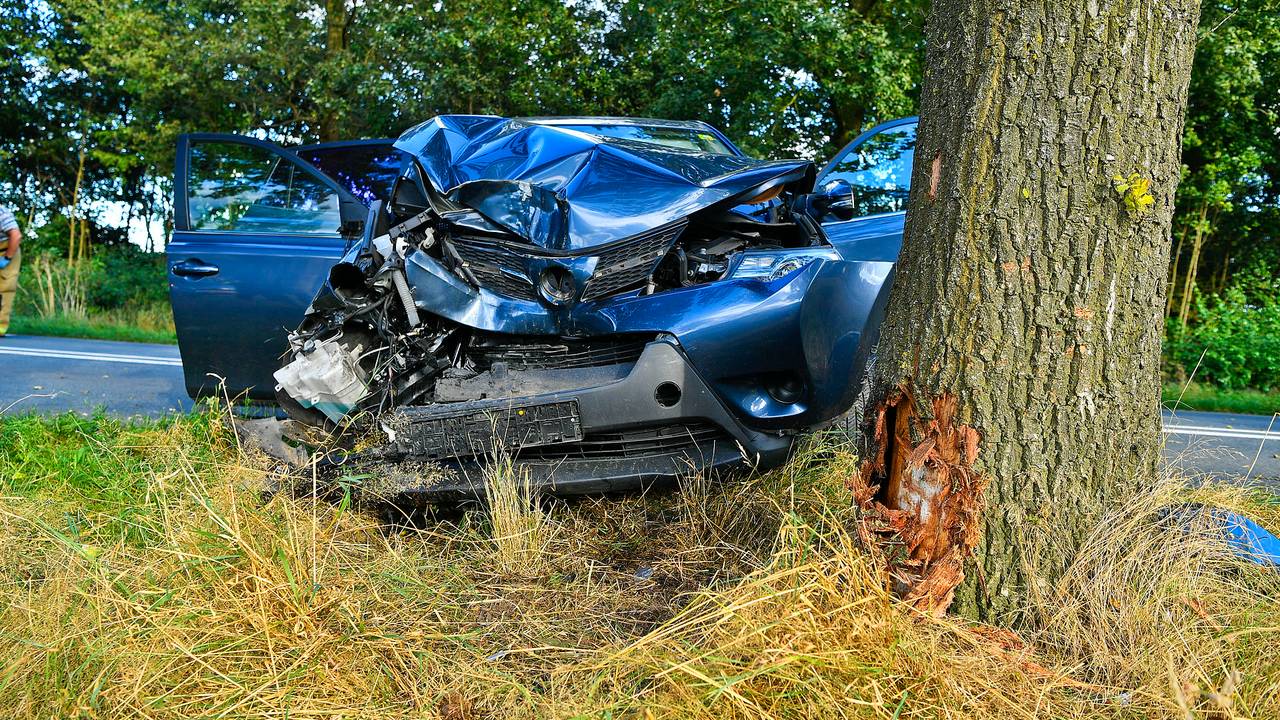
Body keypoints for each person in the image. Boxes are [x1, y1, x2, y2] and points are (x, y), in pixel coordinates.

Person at [0, 205, 21, 337]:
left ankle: (0, 326)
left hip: (7, 250)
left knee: (5, 288)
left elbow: (16, 235)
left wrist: (7, 258)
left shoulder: (1, 212)